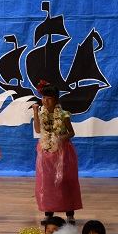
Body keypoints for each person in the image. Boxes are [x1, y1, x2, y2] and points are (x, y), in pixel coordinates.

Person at [32, 81, 82, 226]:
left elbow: (72, 132)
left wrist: (61, 138)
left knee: (65, 181)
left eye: (49, 98)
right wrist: (35, 112)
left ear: (56, 99)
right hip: (46, 151)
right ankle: (48, 213)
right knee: (47, 181)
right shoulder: (41, 113)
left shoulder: (63, 115)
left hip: (63, 151)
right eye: (43, 98)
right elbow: (37, 130)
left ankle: (70, 213)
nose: (45, 101)